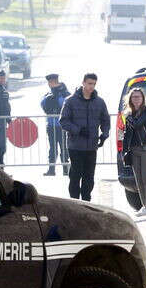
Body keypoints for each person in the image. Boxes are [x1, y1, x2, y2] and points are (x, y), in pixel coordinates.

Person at [59, 73, 110, 202]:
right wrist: (78, 130)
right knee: (75, 175)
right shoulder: (70, 101)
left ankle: (87, 201)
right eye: (89, 83)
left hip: (91, 146)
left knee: (89, 177)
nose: (91, 86)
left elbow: (105, 119)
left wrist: (104, 134)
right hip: (75, 146)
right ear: (83, 82)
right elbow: (63, 121)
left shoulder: (99, 102)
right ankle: (75, 202)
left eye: (93, 84)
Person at [123, 87, 146, 216]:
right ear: (130, 99)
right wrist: (125, 151)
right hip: (134, 149)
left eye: (138, 97)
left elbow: (137, 125)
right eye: (133, 97)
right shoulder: (129, 114)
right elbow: (127, 134)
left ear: (143, 98)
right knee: (139, 179)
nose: (136, 99)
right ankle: (145, 206)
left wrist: (129, 117)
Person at [40, 73, 71, 177]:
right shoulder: (49, 94)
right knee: (52, 148)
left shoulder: (64, 92)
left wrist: (56, 99)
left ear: (54, 82)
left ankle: (66, 169)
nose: (49, 84)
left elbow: (66, 104)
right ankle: (51, 170)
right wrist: (50, 99)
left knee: (63, 148)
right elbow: (43, 104)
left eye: (50, 82)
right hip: (51, 125)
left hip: (62, 125)